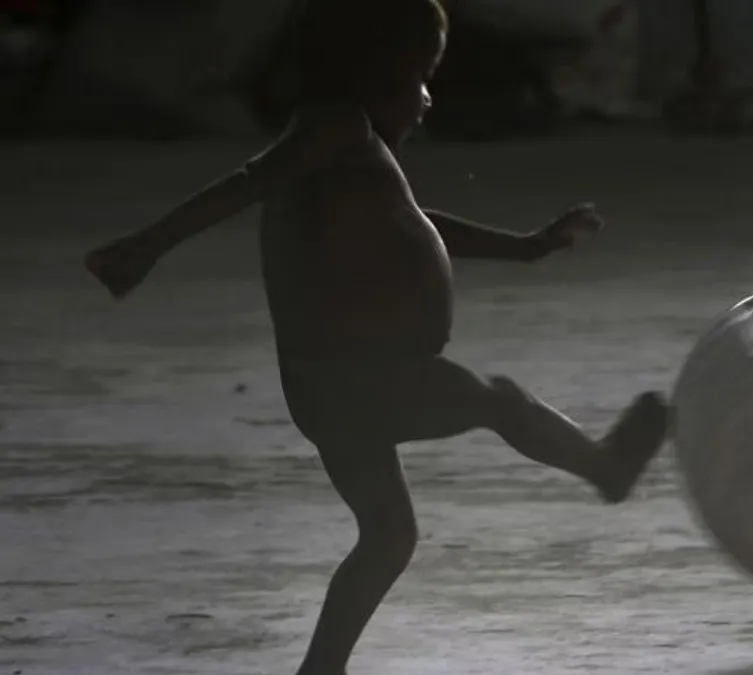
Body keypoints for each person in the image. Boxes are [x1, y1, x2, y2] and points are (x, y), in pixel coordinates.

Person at [83, 1, 670, 672]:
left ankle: (321, 668)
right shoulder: (337, 129)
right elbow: (245, 184)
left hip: (328, 389)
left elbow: (419, 222)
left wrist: (528, 247)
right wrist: (144, 246)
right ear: (377, 73)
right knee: (499, 401)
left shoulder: (350, 153)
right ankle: (605, 467)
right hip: (360, 378)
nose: (427, 99)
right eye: (421, 77)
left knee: (388, 536)